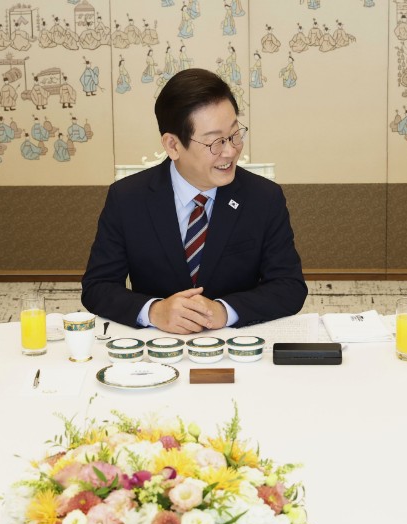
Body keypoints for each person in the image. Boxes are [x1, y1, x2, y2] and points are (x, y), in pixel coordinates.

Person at [81, 68, 306, 333]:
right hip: (157, 345)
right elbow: (98, 287)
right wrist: (154, 311)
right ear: (173, 145)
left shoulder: (263, 197)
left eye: (234, 135)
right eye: (215, 142)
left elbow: (289, 286)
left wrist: (224, 311)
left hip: (235, 344)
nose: (230, 151)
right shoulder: (127, 198)